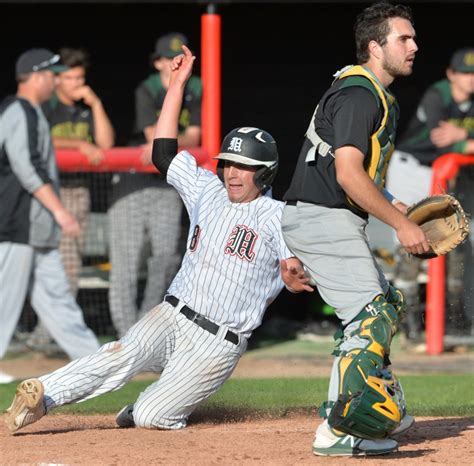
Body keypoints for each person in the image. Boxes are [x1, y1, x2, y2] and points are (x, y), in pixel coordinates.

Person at [5, 45, 312, 433]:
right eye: (228, 163)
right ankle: (42, 394)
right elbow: (164, 153)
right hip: (171, 313)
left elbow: (294, 268)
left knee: (153, 416)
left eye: (244, 167)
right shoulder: (207, 188)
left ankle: (143, 408)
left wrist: (293, 277)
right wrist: (177, 85)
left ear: (265, 173)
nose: (232, 173)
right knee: (122, 353)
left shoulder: (279, 216)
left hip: (218, 343)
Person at [282, 2, 429, 457]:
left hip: (328, 215)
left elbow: (356, 175)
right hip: (322, 215)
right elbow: (347, 174)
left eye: (412, 37)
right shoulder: (360, 92)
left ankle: (382, 408)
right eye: (403, 38)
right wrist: (401, 223)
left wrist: (396, 204)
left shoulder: (376, 95)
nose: (414, 45)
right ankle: (340, 428)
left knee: (384, 303)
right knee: (370, 316)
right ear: (374, 46)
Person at [0, 48, 101, 384]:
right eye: (53, 74)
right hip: (19, 223)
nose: (56, 80)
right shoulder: (19, 110)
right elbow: (25, 167)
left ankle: (95, 366)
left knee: (57, 299)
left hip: (36, 228)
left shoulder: (32, 111)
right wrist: (60, 212)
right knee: (4, 299)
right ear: (39, 76)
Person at [108, 32, 201, 338]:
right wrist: (171, 141)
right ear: (159, 61)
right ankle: (125, 335)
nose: (173, 64)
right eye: (168, 59)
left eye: (182, 58)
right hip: (134, 180)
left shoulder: (197, 87)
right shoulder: (147, 89)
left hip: (167, 181)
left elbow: (195, 137)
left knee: (165, 257)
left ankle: (145, 331)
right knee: (127, 261)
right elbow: (152, 136)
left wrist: (169, 141)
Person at [25, 47, 115, 350]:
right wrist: (78, 144)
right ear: (58, 80)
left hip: (77, 192)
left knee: (70, 264)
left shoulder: (85, 109)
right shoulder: (46, 106)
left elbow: (106, 144)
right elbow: (40, 138)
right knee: (35, 260)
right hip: (45, 192)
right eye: (72, 77)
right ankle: (38, 331)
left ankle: (50, 333)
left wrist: (96, 103)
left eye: (81, 77)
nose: (78, 83)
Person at [386, 47, 474, 340]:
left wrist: (463, 137)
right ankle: (407, 326)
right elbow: (443, 146)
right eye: (464, 73)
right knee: (410, 242)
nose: (470, 79)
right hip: (412, 170)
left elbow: (454, 147)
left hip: (443, 174)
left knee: (452, 242)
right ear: (451, 74)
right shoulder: (438, 95)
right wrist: (464, 141)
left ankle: (447, 325)